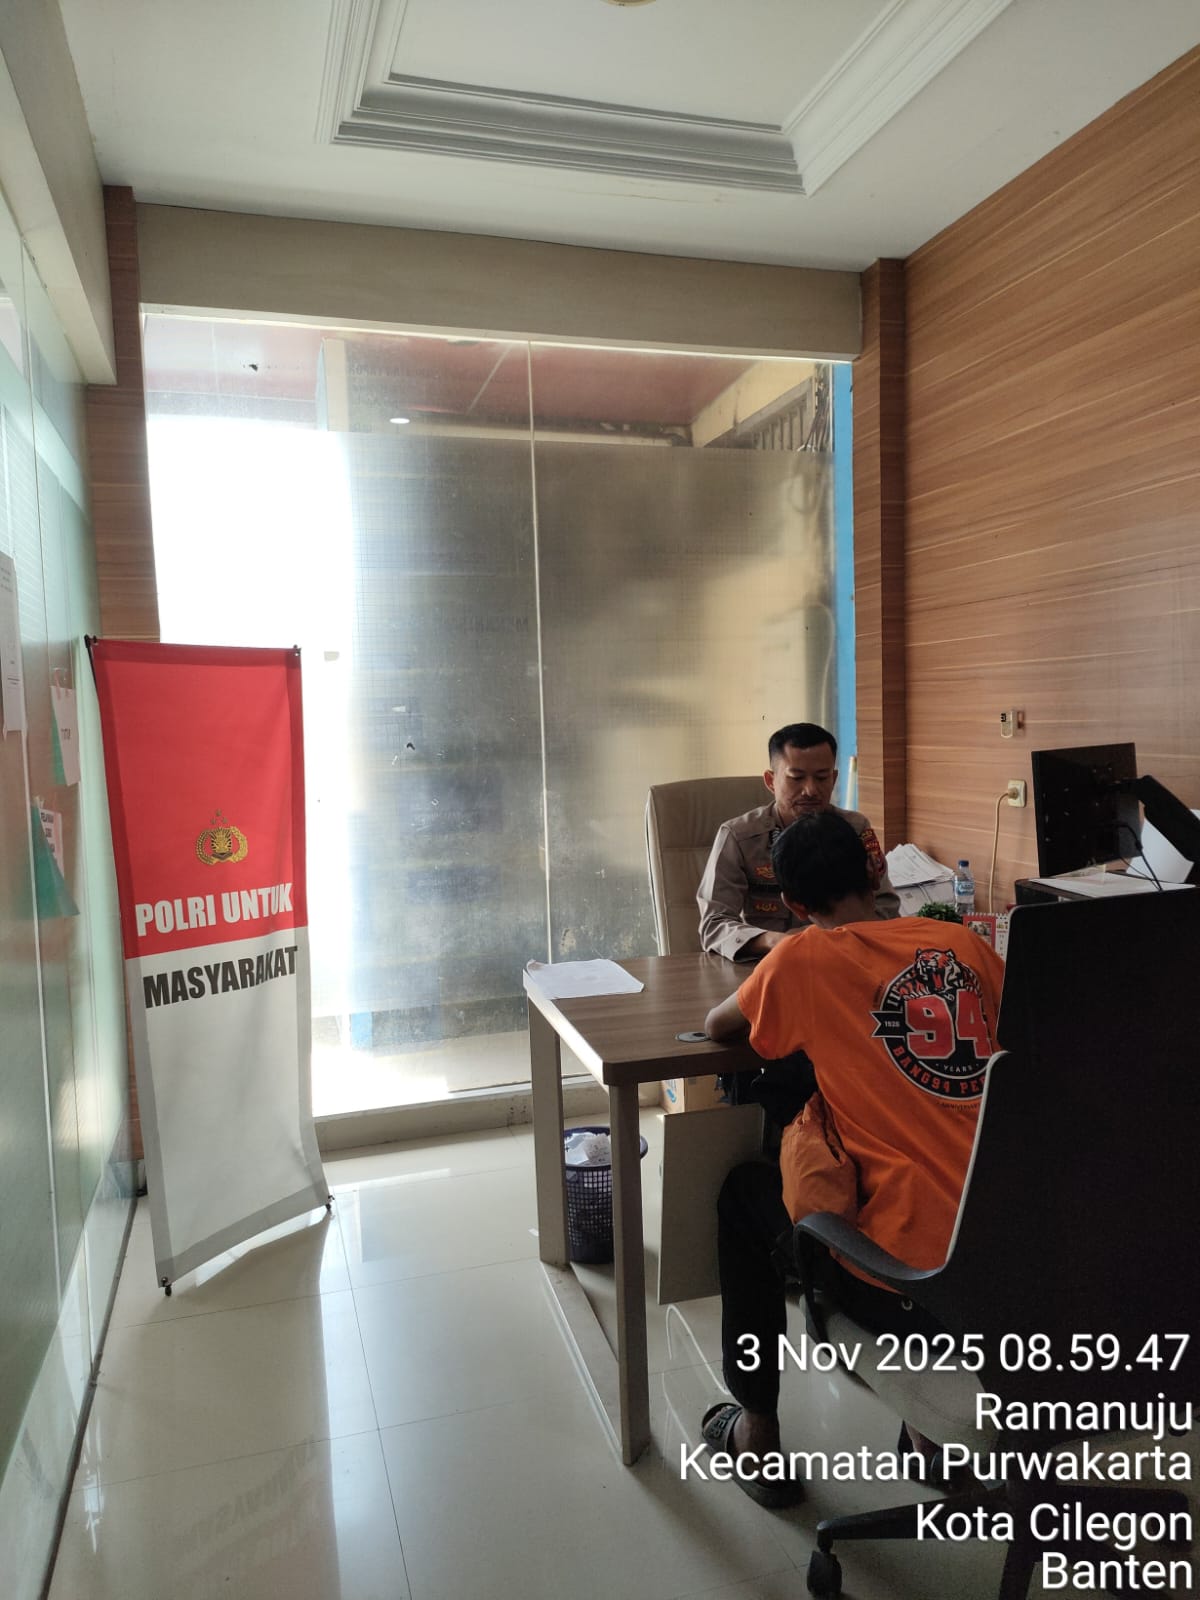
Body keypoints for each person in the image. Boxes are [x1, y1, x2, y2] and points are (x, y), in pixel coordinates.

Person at [698, 810, 1006, 1508]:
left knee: (744, 1195)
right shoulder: (962, 943)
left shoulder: (804, 958)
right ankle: (929, 1443)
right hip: (1021, 1272)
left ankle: (756, 1433)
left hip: (915, 1292)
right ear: (876, 872)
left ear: (794, 903)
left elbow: (721, 1026)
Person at [697, 722, 900, 963]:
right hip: (769, 962)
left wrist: (827, 938)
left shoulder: (855, 829)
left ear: (834, 778)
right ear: (770, 780)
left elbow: (886, 908)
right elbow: (714, 924)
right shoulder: (739, 836)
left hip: (844, 958)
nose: (811, 790)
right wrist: (776, 941)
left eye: (822, 777)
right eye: (797, 778)